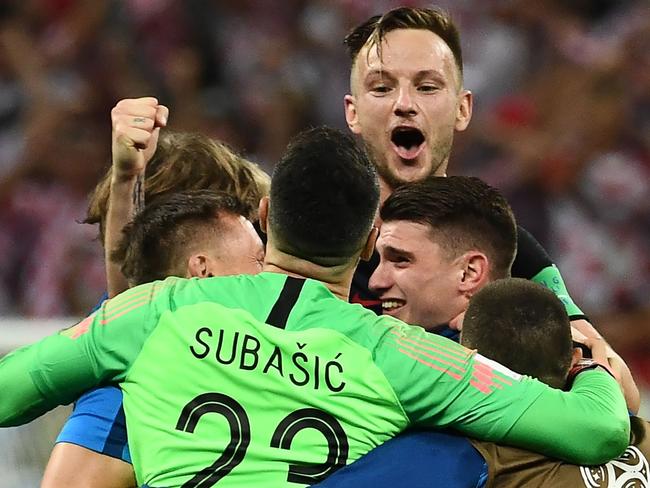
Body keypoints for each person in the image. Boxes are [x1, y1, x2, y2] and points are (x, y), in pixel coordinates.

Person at [0, 126, 630, 487]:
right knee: (468, 454)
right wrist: (588, 361)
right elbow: (600, 431)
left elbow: (7, 394)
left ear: (267, 217)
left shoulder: (151, 312)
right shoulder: (404, 354)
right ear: (365, 243)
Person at [315, 177, 643, 487]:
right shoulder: (597, 390)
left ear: (470, 272)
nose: (375, 281)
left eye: (400, 261)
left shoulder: (443, 397)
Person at [42, 98, 270, 488]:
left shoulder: (249, 348)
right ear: (196, 258)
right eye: (251, 238)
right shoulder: (129, 384)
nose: (265, 270)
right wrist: (126, 180)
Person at [341, 6, 588, 331]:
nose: (404, 104)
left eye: (427, 87)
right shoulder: (312, 233)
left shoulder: (505, 246)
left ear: (463, 109)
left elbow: (603, 365)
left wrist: (583, 362)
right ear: (353, 113)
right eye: (382, 88)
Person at [318, 279, 650, 487]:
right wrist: (594, 368)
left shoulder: (453, 457)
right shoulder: (643, 436)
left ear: (465, 359)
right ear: (574, 360)